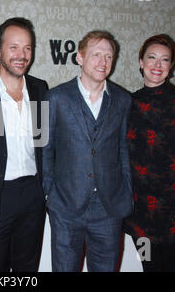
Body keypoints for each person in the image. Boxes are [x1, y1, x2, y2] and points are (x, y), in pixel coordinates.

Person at [42, 30, 133, 272]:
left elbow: (124, 150)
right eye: (96, 55)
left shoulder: (123, 100)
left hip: (108, 208)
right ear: (80, 58)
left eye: (108, 56)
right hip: (66, 207)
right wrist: (50, 195)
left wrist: (126, 191)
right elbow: (45, 149)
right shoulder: (54, 98)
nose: (103, 62)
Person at [123, 34, 175, 272]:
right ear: (141, 61)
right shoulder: (127, 103)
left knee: (167, 266)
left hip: (174, 209)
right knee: (149, 266)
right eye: (151, 58)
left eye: (165, 59)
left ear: (171, 66)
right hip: (137, 211)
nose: (157, 65)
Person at [0, 18, 48, 272]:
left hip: (33, 193)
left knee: (27, 267)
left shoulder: (40, 89)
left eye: (27, 48)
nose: (22, 55)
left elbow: (43, 145)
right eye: (14, 47)